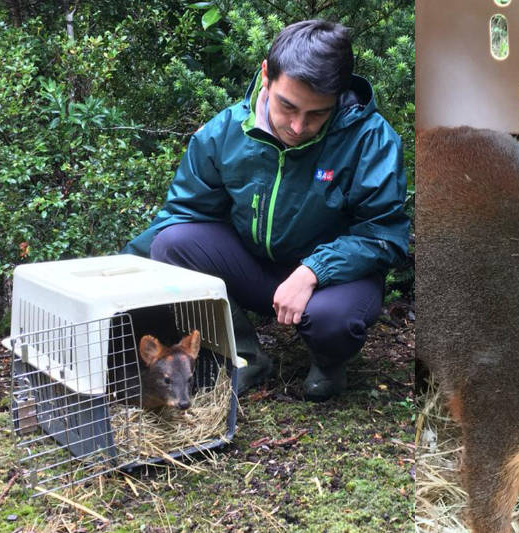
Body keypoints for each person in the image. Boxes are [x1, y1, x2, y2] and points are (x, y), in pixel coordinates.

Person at [122, 19, 410, 402]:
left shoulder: (370, 139)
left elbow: (384, 234)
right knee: (173, 244)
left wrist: (314, 271)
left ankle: (327, 363)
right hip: (257, 271)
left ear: (338, 97)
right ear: (266, 76)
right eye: (287, 106)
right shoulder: (224, 133)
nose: (297, 125)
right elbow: (182, 214)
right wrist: (120, 274)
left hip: (331, 285)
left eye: (316, 114)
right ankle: (244, 355)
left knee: (332, 321)